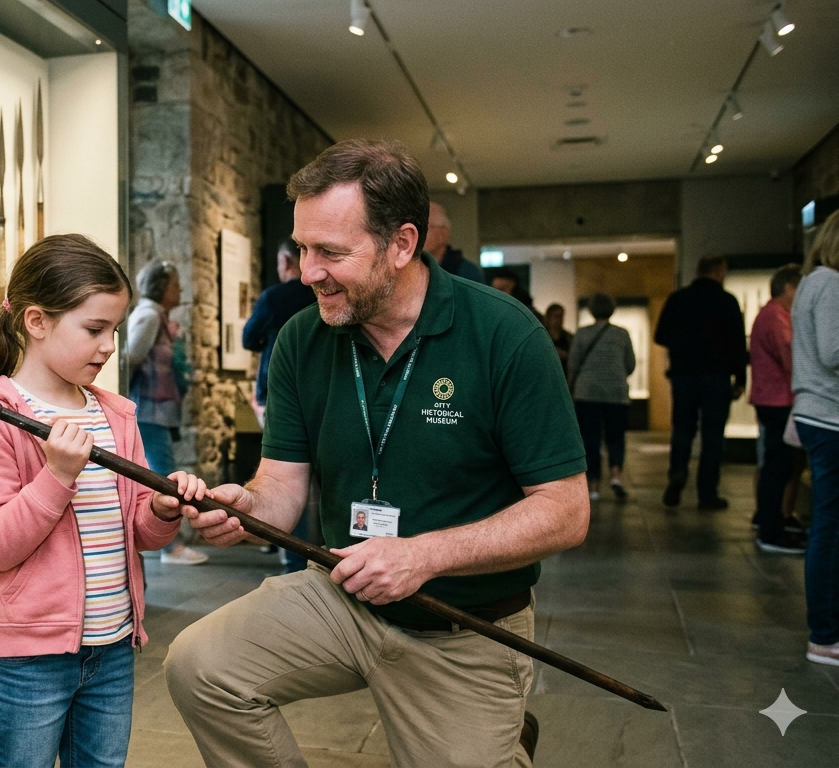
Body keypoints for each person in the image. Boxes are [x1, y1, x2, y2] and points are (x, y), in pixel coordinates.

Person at [163, 139, 588, 767]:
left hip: (462, 624)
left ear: (402, 244)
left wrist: (421, 555)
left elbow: (565, 511)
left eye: (331, 252)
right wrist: (244, 510)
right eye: (304, 248)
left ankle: (499, 738)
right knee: (199, 667)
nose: (308, 272)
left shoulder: (505, 334)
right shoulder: (303, 338)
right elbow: (279, 492)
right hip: (338, 597)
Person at [0, 235, 208, 767]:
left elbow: (138, 529)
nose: (110, 345)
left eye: (113, 328)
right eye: (94, 329)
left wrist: (160, 511)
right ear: (37, 322)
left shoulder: (117, 415)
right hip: (29, 657)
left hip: (112, 647)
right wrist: (57, 475)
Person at [127, 260, 208, 565]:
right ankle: (169, 548)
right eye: (175, 284)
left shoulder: (156, 317)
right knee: (164, 475)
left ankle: (166, 545)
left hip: (156, 410)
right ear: (161, 287)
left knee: (161, 471)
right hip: (149, 410)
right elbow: (131, 358)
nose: (180, 290)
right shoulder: (148, 316)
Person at [654, 256, 748, 509]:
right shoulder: (726, 301)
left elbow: (660, 334)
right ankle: (707, 493)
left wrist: (682, 348)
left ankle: (677, 475)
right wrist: (740, 378)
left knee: (683, 429)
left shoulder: (679, 299)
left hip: (684, 376)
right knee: (713, 436)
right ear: (720, 271)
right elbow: (738, 344)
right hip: (716, 377)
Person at [792, 211, 839, 667]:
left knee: (829, 523)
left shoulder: (812, 281)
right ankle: (825, 632)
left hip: (819, 412)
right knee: (830, 524)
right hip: (829, 415)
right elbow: (833, 350)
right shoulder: (828, 282)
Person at [751, 264, 806, 554]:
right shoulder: (776, 316)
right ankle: (771, 530)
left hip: (774, 398)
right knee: (777, 466)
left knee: (776, 464)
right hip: (777, 399)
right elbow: (791, 356)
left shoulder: (774, 314)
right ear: (789, 288)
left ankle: (769, 521)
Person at [569, 293, 635, 501]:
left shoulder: (582, 333)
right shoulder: (622, 334)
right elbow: (630, 364)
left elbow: (573, 364)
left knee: (591, 439)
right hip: (616, 393)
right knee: (616, 437)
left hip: (587, 393)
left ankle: (594, 486)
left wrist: (571, 388)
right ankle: (616, 476)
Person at [243, 237, 317, 417]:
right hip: (315, 384)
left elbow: (248, 339)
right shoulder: (319, 295)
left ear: (285, 260)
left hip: (278, 384)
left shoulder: (273, 298)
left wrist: (267, 343)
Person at [424, 201, 486, 283]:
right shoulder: (414, 268)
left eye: (426, 228)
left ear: (443, 234)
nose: (419, 235)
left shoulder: (467, 272)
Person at [544, 303, 573, 373]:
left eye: (561, 317)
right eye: (556, 316)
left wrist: (565, 355)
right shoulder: (543, 336)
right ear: (549, 317)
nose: (559, 320)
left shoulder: (568, 337)